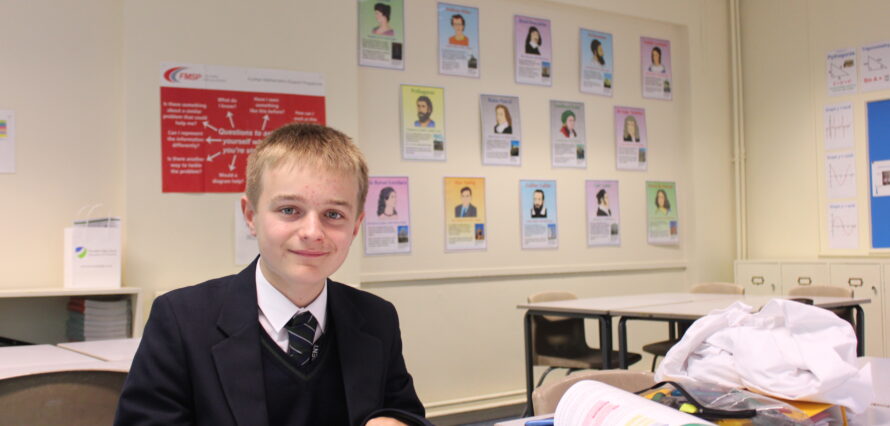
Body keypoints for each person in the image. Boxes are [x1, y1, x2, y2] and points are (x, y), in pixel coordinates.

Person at [116, 124, 429, 426]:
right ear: (251, 217)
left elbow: (404, 410)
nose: (312, 232)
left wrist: (399, 422)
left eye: (333, 215)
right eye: (289, 210)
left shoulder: (376, 318)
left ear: (356, 226)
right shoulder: (182, 321)